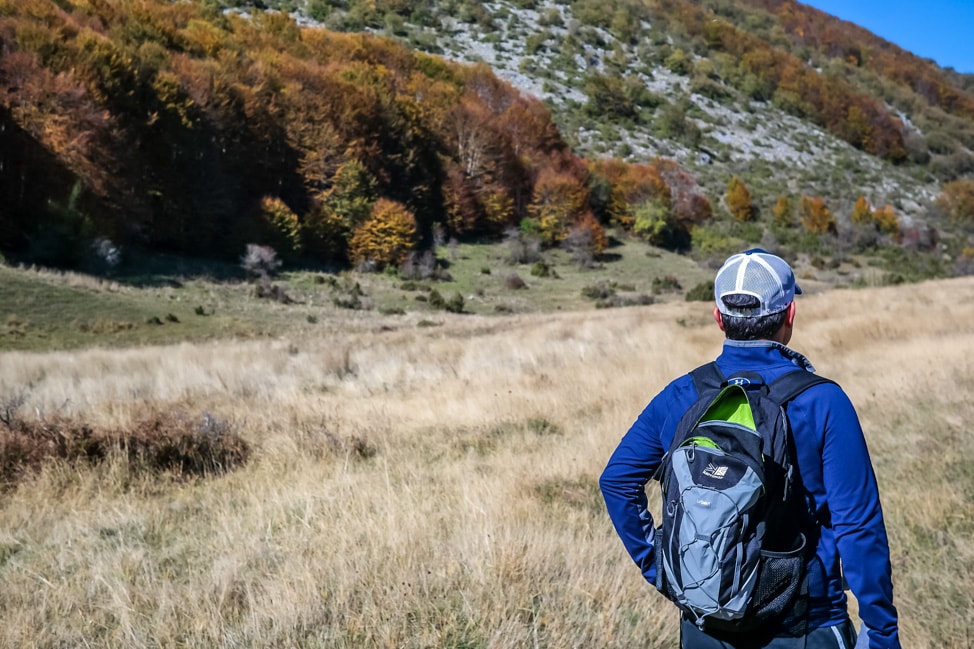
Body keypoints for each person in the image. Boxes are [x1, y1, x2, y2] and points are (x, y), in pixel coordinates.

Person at [599, 249, 901, 649]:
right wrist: (880, 631)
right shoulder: (825, 402)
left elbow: (617, 481)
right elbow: (858, 527)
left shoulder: (681, 395)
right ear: (789, 315)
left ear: (718, 318)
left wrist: (660, 568)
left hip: (704, 625)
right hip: (805, 625)